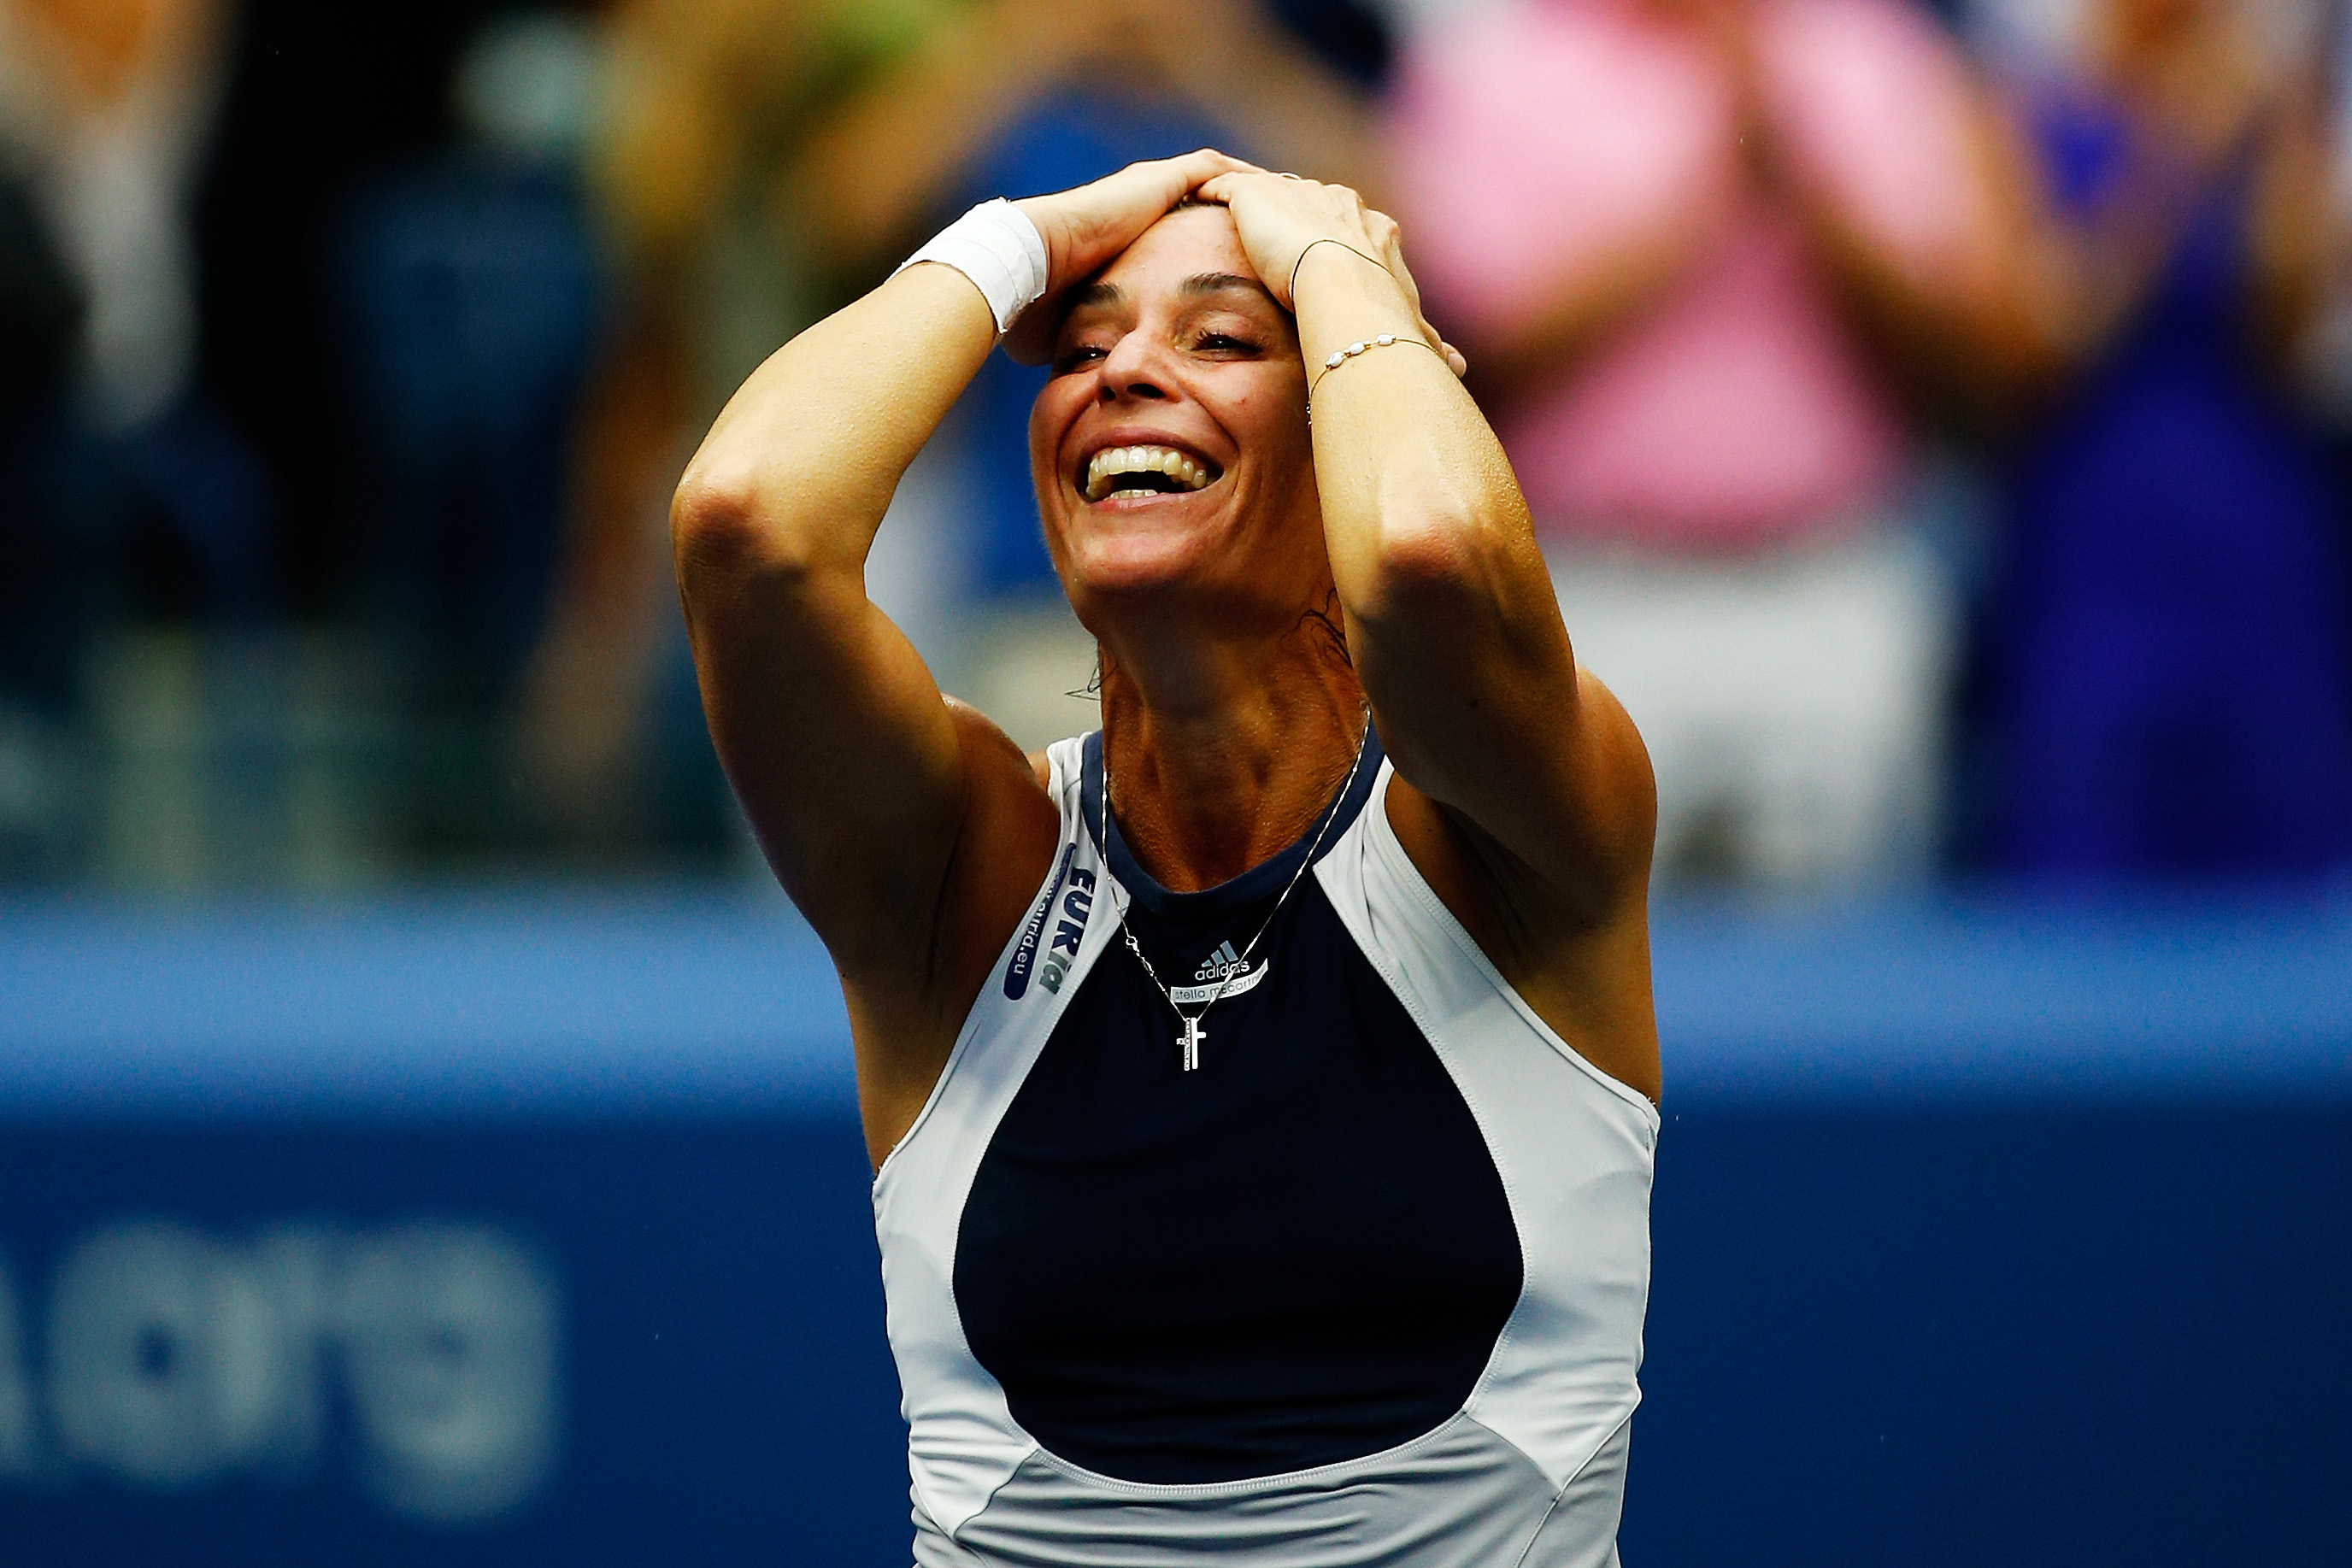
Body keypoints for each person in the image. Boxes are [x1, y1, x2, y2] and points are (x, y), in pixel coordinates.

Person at [671, 152, 1661, 1564]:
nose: (1122, 372)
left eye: (1221, 338)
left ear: (1353, 416)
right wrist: (1024, 236)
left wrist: (1341, 261)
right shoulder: (965, 874)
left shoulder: (1505, 840)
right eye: (1080, 347)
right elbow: (748, 521)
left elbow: (1430, 547)